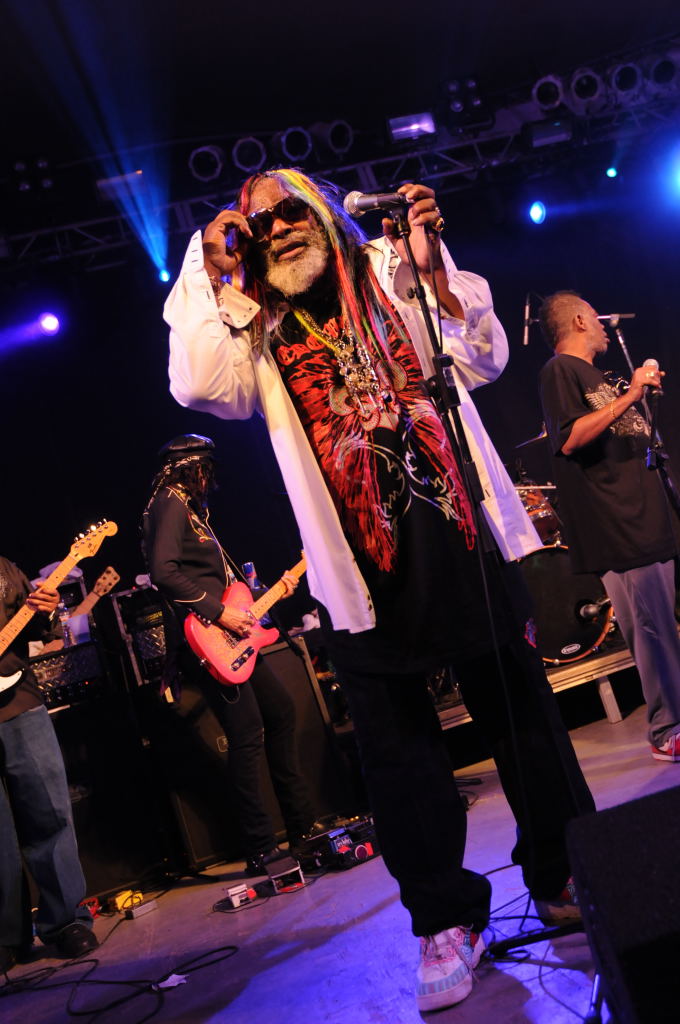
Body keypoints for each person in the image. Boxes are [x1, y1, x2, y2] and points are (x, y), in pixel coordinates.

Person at [164, 170, 595, 1011]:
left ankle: (564, 872)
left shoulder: (395, 269)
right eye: (260, 224)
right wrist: (210, 267)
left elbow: (484, 358)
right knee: (400, 762)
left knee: (526, 725)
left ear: (327, 213)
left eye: (292, 211)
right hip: (360, 577)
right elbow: (198, 384)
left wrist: (436, 275)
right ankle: (446, 919)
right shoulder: (257, 323)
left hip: (463, 544)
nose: (278, 229)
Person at [142, 433, 323, 875]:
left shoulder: (189, 510)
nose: (210, 479)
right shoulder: (168, 502)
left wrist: (264, 595)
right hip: (206, 638)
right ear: (193, 468)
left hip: (229, 632)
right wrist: (220, 612)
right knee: (246, 733)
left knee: (280, 713)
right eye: (206, 470)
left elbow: (218, 581)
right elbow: (162, 571)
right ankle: (260, 847)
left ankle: (301, 828)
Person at [539, 291, 680, 761]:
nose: (603, 325)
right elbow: (570, 438)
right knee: (652, 632)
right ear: (579, 320)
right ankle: (668, 730)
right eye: (595, 318)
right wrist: (632, 395)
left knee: (663, 628)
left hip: (648, 524)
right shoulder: (559, 370)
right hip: (621, 529)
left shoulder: (599, 378)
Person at [0, 555, 98, 974]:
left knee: (49, 814)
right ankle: (8, 938)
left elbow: (42, 629)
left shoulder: (5, 569)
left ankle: (66, 921)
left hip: (19, 699)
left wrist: (47, 609)